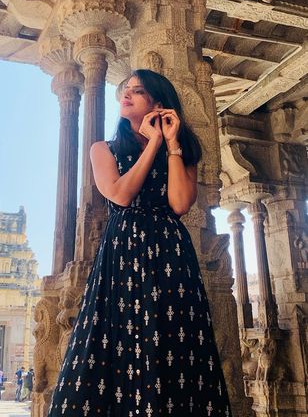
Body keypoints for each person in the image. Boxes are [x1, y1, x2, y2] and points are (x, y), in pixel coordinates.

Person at [47, 69, 232, 415]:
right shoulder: (103, 149)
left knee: (172, 339)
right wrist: (154, 146)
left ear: (158, 103)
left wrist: (173, 144)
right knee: (117, 341)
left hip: (170, 253)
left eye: (137, 90)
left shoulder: (184, 149)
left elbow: (179, 204)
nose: (126, 95)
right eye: (124, 90)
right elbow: (120, 194)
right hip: (123, 253)